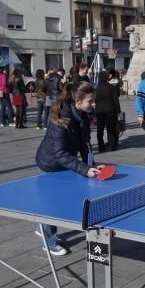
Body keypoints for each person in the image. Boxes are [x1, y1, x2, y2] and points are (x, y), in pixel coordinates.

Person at [35, 82, 101, 255]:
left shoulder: (84, 114)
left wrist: (90, 164)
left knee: (59, 197)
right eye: (90, 101)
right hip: (50, 162)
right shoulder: (61, 117)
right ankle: (48, 241)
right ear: (78, 101)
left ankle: (42, 225)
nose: (94, 104)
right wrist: (84, 170)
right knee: (53, 201)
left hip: (65, 160)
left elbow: (84, 143)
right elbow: (59, 153)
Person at [95, 70, 121, 152]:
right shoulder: (111, 87)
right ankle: (111, 145)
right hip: (110, 110)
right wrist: (118, 110)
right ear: (107, 77)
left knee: (100, 129)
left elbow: (94, 100)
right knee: (111, 129)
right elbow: (115, 100)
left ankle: (101, 146)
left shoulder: (96, 88)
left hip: (99, 111)